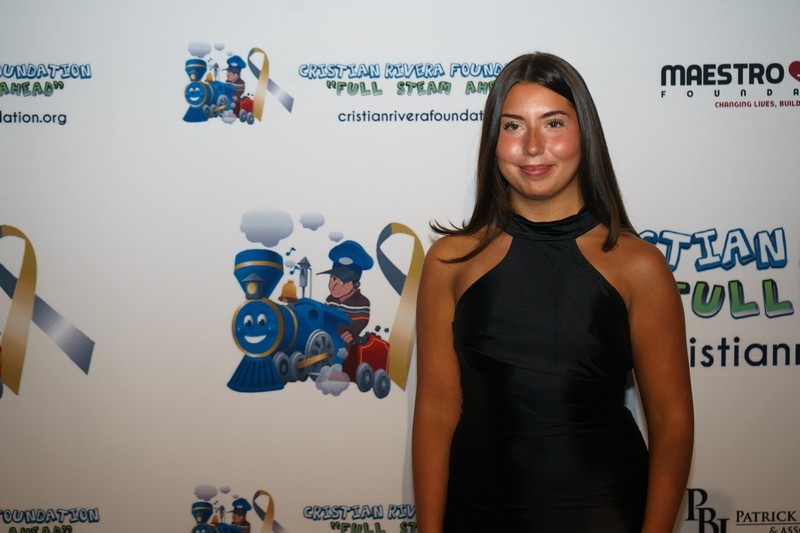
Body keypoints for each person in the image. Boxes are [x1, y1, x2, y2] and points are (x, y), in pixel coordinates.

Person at [412, 52, 694, 532]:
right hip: (477, 516)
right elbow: (436, 412)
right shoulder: (449, 261)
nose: (533, 146)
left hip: (606, 516)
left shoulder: (639, 266)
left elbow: (672, 422)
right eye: (513, 126)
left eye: (554, 123)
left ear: (585, 132)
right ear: (494, 141)